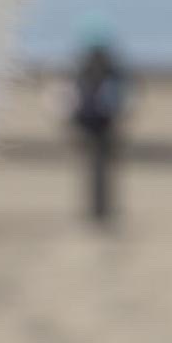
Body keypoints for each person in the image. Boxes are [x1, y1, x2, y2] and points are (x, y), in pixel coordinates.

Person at [69, 32, 129, 224]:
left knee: (91, 168)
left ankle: (93, 211)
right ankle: (103, 211)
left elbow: (70, 98)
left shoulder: (82, 67)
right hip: (107, 123)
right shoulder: (113, 68)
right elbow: (124, 98)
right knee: (105, 169)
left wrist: (73, 121)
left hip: (87, 123)